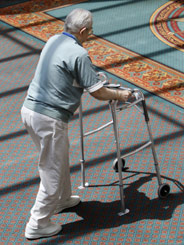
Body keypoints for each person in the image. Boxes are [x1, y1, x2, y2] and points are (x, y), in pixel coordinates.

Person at [21, 8, 132, 240]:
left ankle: (62, 200)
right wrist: (121, 96)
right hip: (50, 118)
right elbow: (99, 93)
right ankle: (37, 223)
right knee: (51, 170)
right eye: (90, 31)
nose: (90, 35)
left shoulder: (53, 40)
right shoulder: (79, 54)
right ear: (82, 31)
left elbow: (64, 72)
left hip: (29, 111)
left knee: (57, 158)